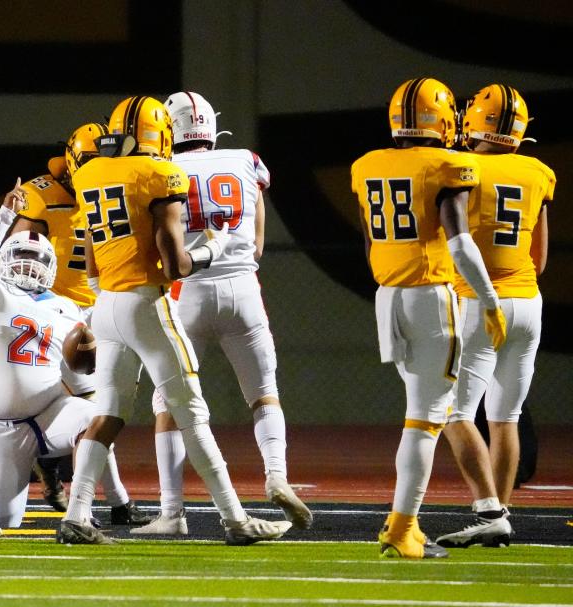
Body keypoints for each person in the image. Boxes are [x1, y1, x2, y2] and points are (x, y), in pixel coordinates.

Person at [57, 95, 293, 545]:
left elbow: (89, 263)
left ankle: (76, 514)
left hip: (106, 305)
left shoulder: (89, 173)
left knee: (107, 414)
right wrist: (212, 248)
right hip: (148, 304)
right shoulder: (160, 174)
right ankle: (236, 520)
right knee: (193, 414)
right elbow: (175, 267)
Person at [132, 92, 313, 536]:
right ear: (212, 127)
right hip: (242, 287)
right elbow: (256, 245)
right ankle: (276, 475)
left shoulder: (160, 170)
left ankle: (172, 513)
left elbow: (156, 239)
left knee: (169, 405)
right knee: (264, 394)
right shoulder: (246, 160)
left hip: (185, 290)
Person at [351, 78, 508, 559]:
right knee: (425, 420)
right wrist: (489, 300)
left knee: (421, 413)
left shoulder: (367, 165)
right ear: (440, 119)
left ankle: (408, 521)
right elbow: (460, 245)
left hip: (388, 294)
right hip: (430, 297)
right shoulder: (447, 165)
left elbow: (370, 241)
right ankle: (400, 529)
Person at [8, 123, 150, 526]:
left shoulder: (114, 188)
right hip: (51, 312)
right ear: (70, 160)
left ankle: (52, 462)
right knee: (94, 408)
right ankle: (118, 502)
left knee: (91, 406)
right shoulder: (42, 196)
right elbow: (14, 254)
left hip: (97, 308)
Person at [436, 85, 555, 549]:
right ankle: (498, 517)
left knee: (454, 412)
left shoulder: (463, 166)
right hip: (529, 301)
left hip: (478, 302)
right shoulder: (538, 171)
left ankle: (487, 506)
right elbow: (540, 258)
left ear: (473, 122)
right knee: (506, 417)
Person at [0, 180, 99, 528]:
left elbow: (82, 370)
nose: (28, 264)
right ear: (4, 259)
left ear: (52, 266)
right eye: (21, 256)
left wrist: (91, 356)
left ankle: (80, 513)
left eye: (37, 258)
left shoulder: (68, 307)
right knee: (3, 522)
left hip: (49, 414)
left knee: (97, 418)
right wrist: (5, 215)